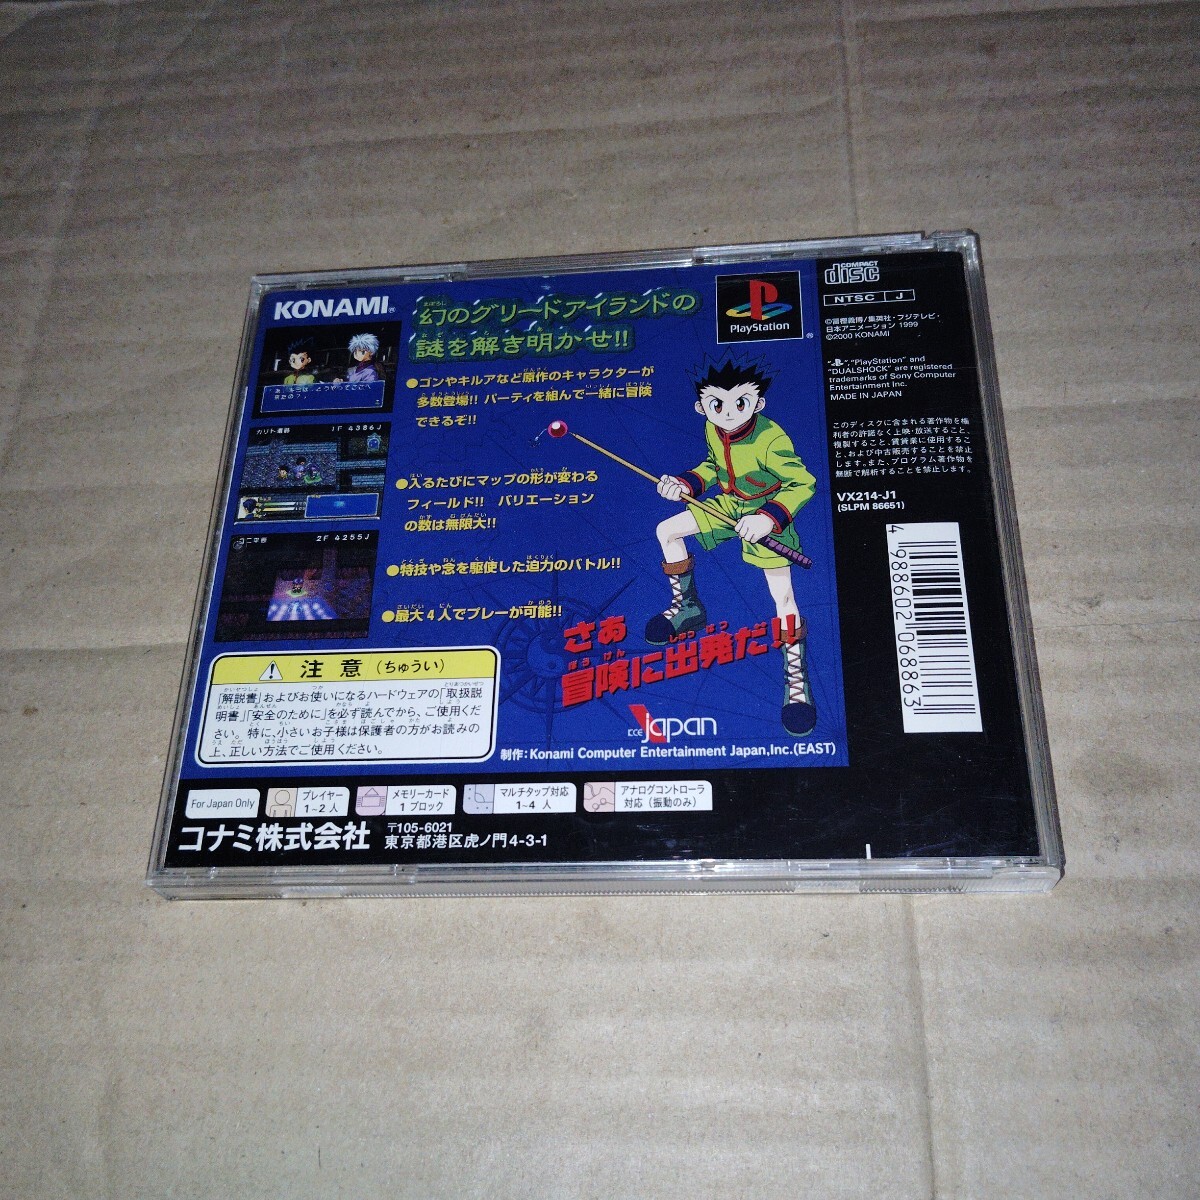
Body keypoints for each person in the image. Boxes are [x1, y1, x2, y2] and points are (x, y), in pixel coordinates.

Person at [647, 358, 818, 735]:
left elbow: (802, 483)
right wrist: (685, 484)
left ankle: (796, 685)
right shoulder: (713, 427)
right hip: (729, 505)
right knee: (667, 531)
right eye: (716, 404)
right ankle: (688, 607)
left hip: (766, 514)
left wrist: (769, 518)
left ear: (758, 404)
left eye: (740, 403)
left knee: (783, 598)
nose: (728, 413)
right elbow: (713, 466)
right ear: (701, 407)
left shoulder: (771, 438)